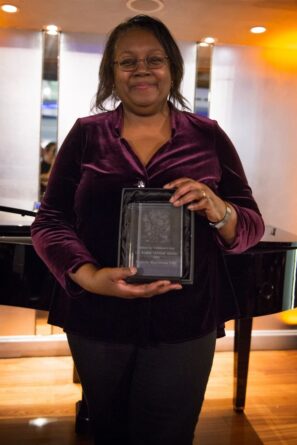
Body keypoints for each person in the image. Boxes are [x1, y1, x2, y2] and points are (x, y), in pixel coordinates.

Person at [31, 14, 265, 445]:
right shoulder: (85, 135)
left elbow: (250, 226)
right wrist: (89, 277)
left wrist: (220, 210)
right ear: (111, 74)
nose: (142, 69)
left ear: (172, 69)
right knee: (109, 431)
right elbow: (49, 221)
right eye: (127, 61)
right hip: (96, 318)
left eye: (154, 59)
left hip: (187, 322)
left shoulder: (208, 136)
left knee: (169, 435)